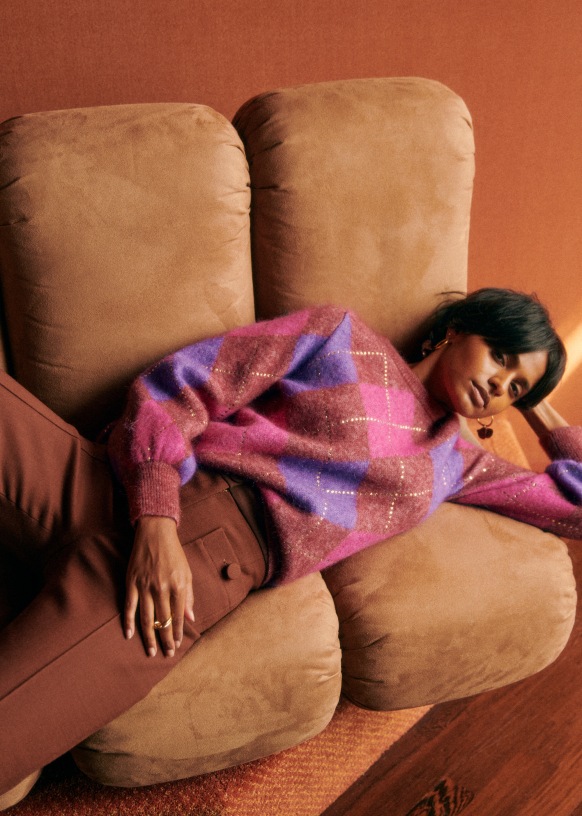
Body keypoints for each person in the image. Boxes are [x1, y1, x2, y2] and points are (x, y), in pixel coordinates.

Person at [1, 288, 582, 808]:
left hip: (206, 563)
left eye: (515, 388)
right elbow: (187, 382)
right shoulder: (340, 334)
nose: (499, 385)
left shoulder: (456, 463)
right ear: (457, 329)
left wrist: (540, 404)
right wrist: (155, 518)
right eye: (501, 355)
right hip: (117, 483)